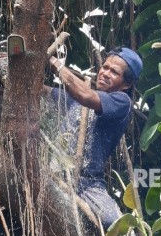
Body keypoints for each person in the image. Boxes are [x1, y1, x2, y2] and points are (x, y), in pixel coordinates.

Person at [46, 46, 142, 231]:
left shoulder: (121, 102)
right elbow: (43, 92)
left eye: (114, 72)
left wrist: (54, 62)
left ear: (127, 84)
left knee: (118, 227)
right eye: (105, 67)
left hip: (87, 184)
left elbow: (84, 95)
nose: (105, 73)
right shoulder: (74, 99)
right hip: (53, 175)